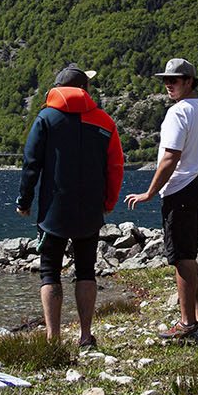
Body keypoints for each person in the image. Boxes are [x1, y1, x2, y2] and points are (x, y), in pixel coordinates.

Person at [17, 63, 124, 349]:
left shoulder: (46, 118)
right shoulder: (104, 121)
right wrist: (109, 202)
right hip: (90, 209)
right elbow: (115, 167)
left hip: (54, 210)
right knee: (86, 270)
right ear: (84, 89)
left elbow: (31, 164)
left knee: (50, 270)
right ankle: (86, 336)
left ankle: (53, 339)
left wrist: (24, 201)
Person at [124, 57, 198, 340]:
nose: (168, 85)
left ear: (189, 81)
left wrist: (149, 193)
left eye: (173, 80)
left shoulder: (178, 113)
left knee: (181, 258)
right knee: (190, 255)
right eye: (165, 80)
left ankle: (187, 323)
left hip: (182, 189)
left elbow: (170, 157)